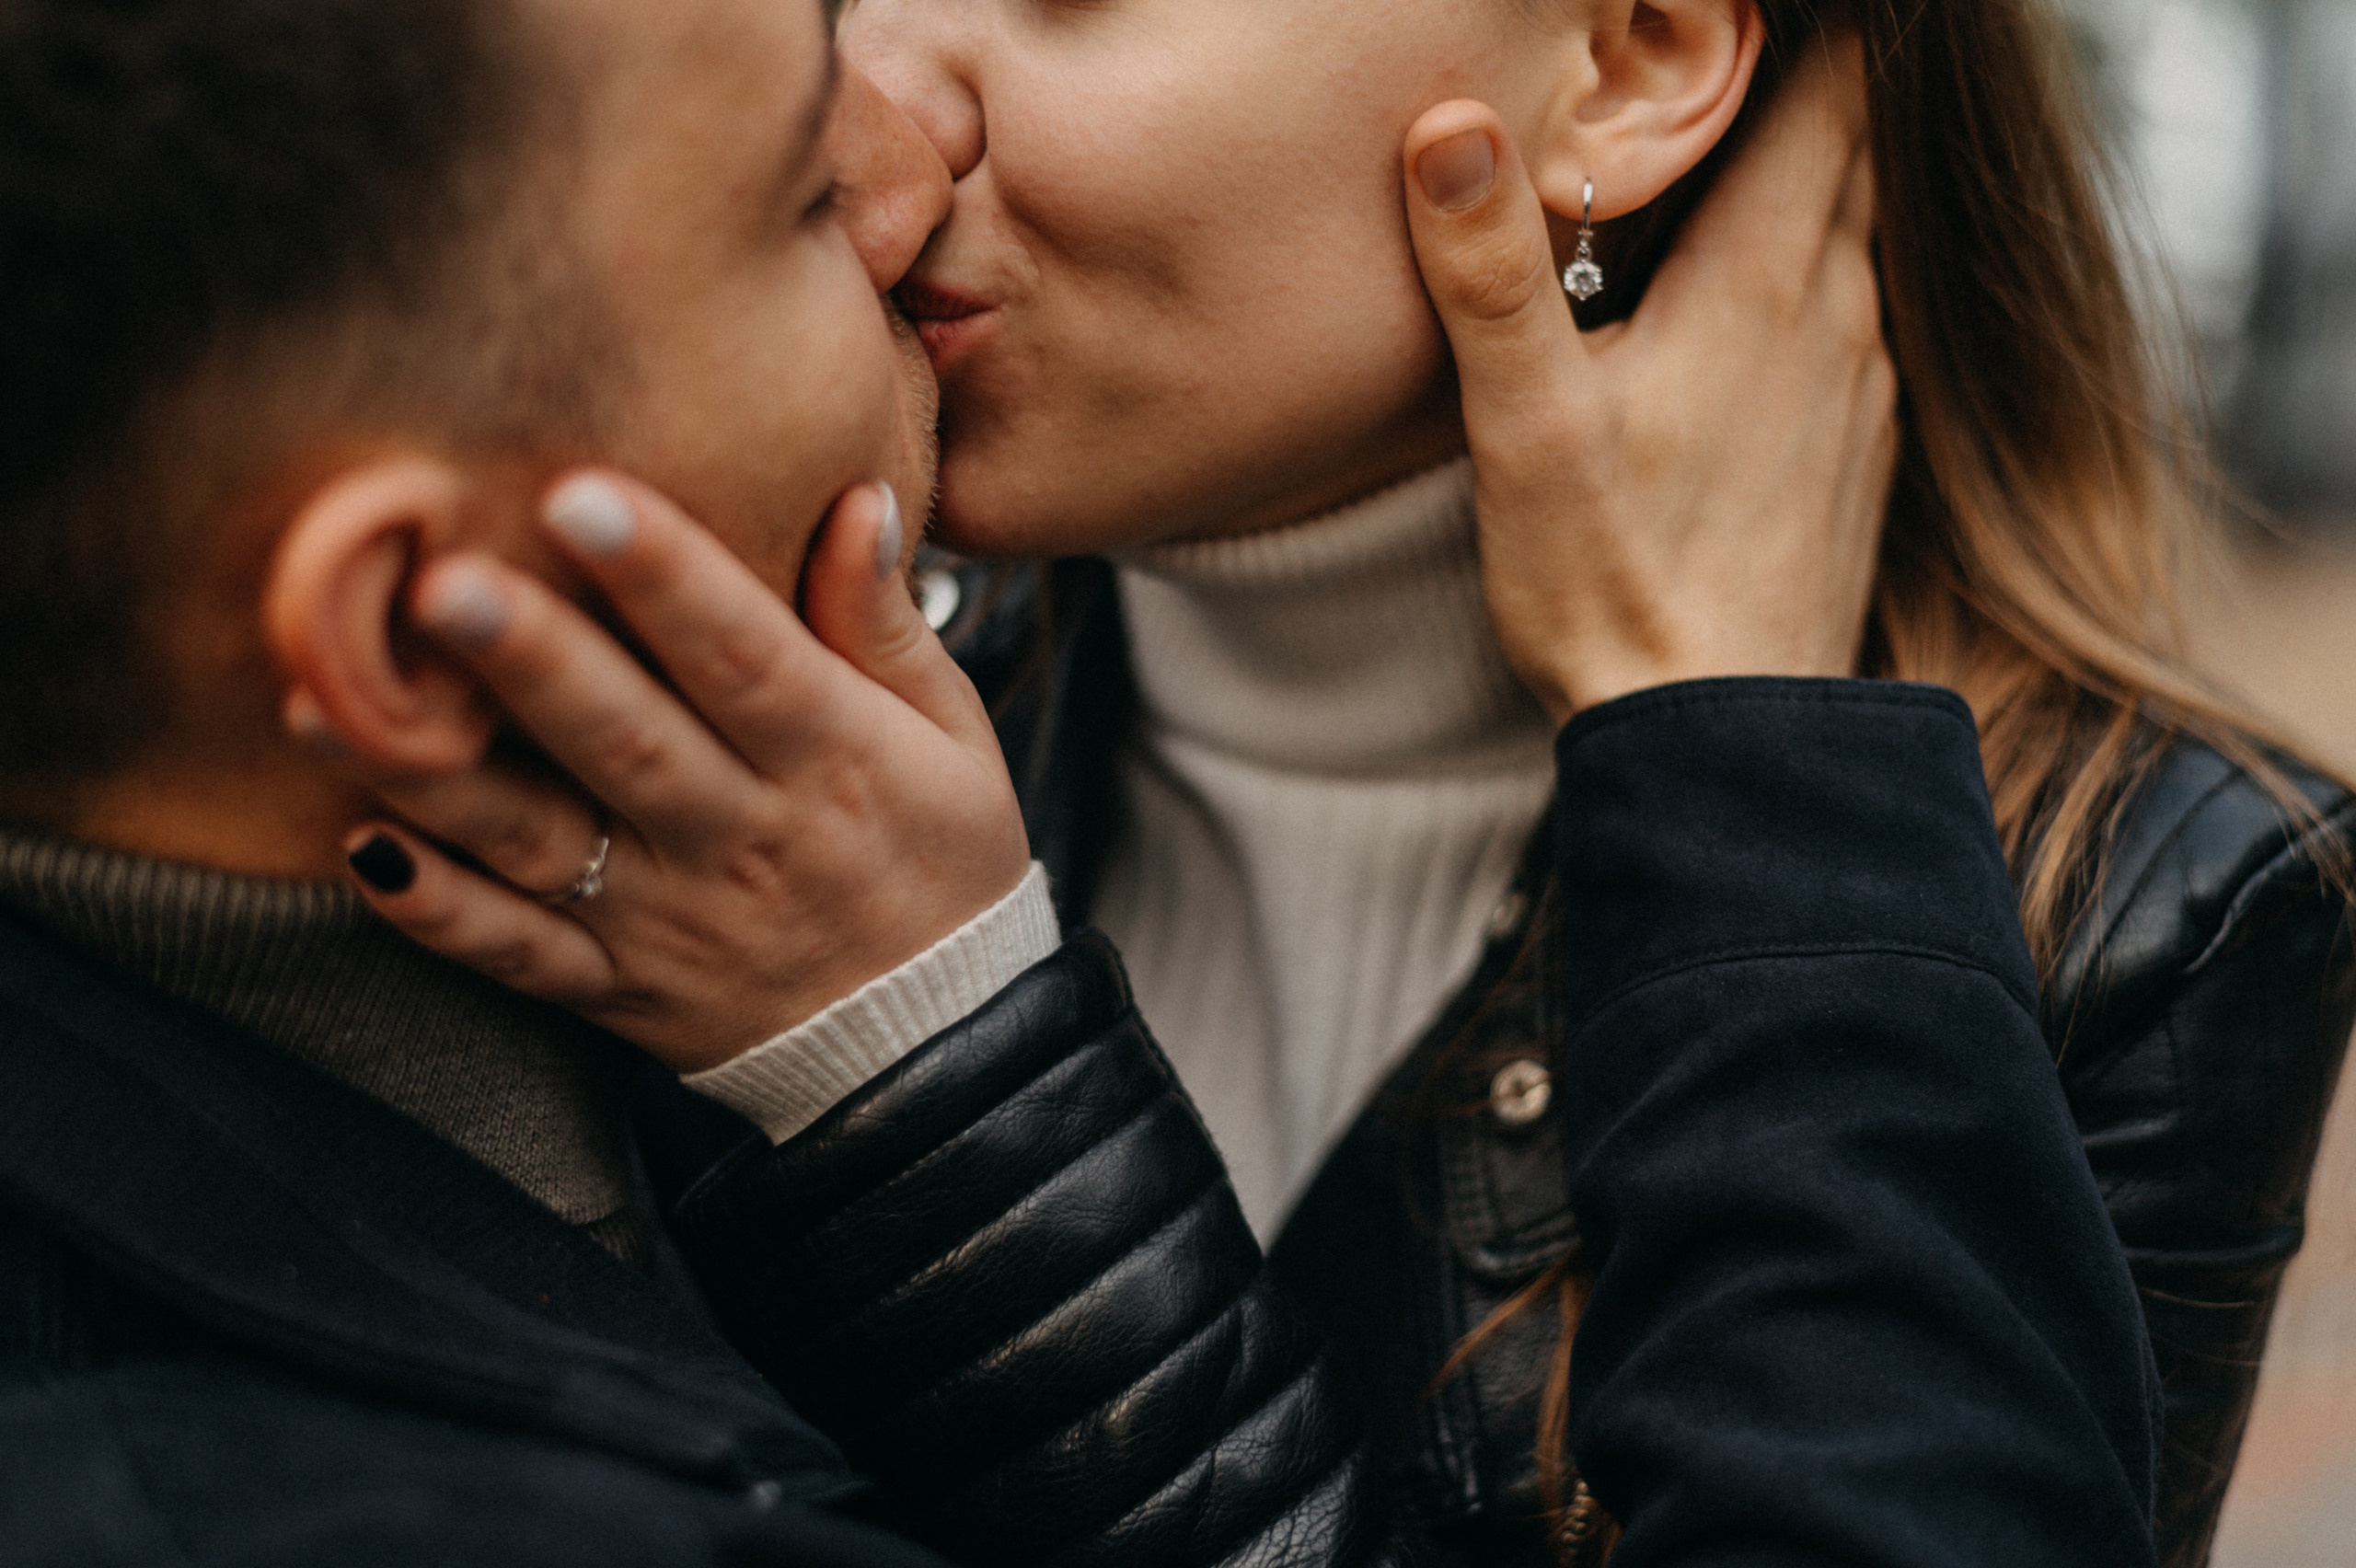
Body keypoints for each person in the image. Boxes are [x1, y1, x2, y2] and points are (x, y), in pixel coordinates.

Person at [351, 1, 2356, 1565]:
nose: (860, 124)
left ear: (1631, 58)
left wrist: (923, 1072)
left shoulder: (2131, 893)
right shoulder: (726, 732)